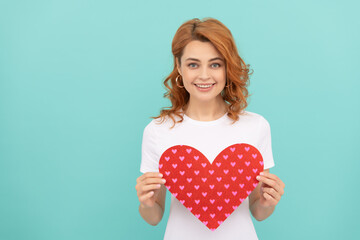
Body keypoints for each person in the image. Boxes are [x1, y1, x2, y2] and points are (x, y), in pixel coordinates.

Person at [135, 17, 285, 240]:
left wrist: (267, 202)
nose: (204, 75)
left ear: (227, 68)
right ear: (179, 67)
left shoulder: (255, 127)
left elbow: (258, 212)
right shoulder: (158, 131)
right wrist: (146, 203)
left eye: (215, 64)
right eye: (193, 64)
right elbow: (155, 216)